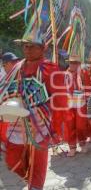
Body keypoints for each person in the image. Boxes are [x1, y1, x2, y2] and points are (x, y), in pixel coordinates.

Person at [0, 29, 67, 190]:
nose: (27, 49)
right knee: (12, 162)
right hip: (16, 123)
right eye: (25, 46)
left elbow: (60, 99)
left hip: (40, 126)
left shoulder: (50, 68)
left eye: (32, 46)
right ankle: (30, 181)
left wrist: (56, 127)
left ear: (42, 48)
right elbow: (5, 90)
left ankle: (35, 185)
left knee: (37, 167)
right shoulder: (17, 67)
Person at [64, 52, 91, 157]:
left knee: (81, 125)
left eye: (76, 63)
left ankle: (82, 143)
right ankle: (72, 147)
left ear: (79, 64)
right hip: (69, 104)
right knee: (70, 125)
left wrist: (89, 98)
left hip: (81, 103)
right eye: (72, 63)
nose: (74, 65)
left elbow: (89, 86)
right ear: (69, 63)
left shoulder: (83, 73)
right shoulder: (64, 75)